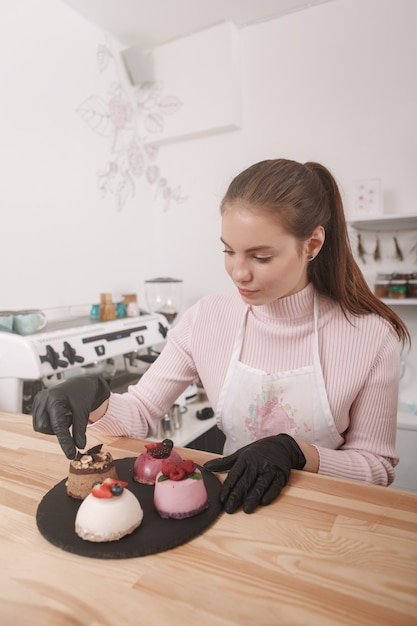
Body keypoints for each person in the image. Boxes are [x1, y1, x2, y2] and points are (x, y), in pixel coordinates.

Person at [32, 158, 410, 514]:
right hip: (228, 508)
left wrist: (297, 452)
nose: (238, 273)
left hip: (325, 520)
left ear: (312, 244)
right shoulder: (206, 320)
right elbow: (141, 413)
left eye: (260, 257)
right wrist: (95, 399)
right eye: (228, 251)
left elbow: (376, 468)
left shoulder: (371, 337)